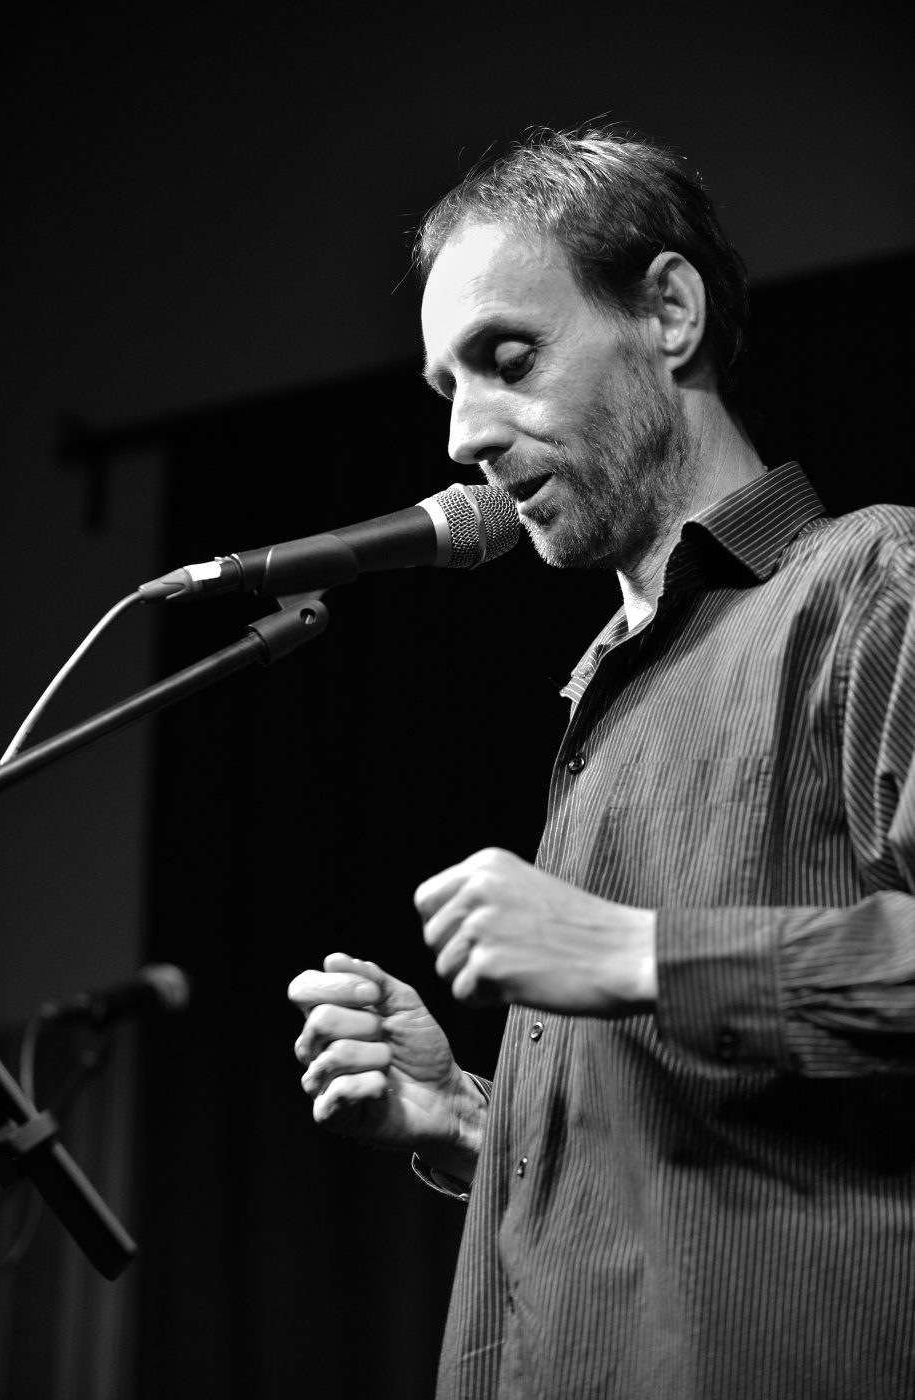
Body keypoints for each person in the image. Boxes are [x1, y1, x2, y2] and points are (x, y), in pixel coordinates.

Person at [288, 127, 915, 1399]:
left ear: (668, 313)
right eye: (444, 386)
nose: (463, 433)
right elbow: (677, 1189)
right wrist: (473, 1117)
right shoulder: (604, 691)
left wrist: (630, 953)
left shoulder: (870, 581)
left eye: (507, 358)